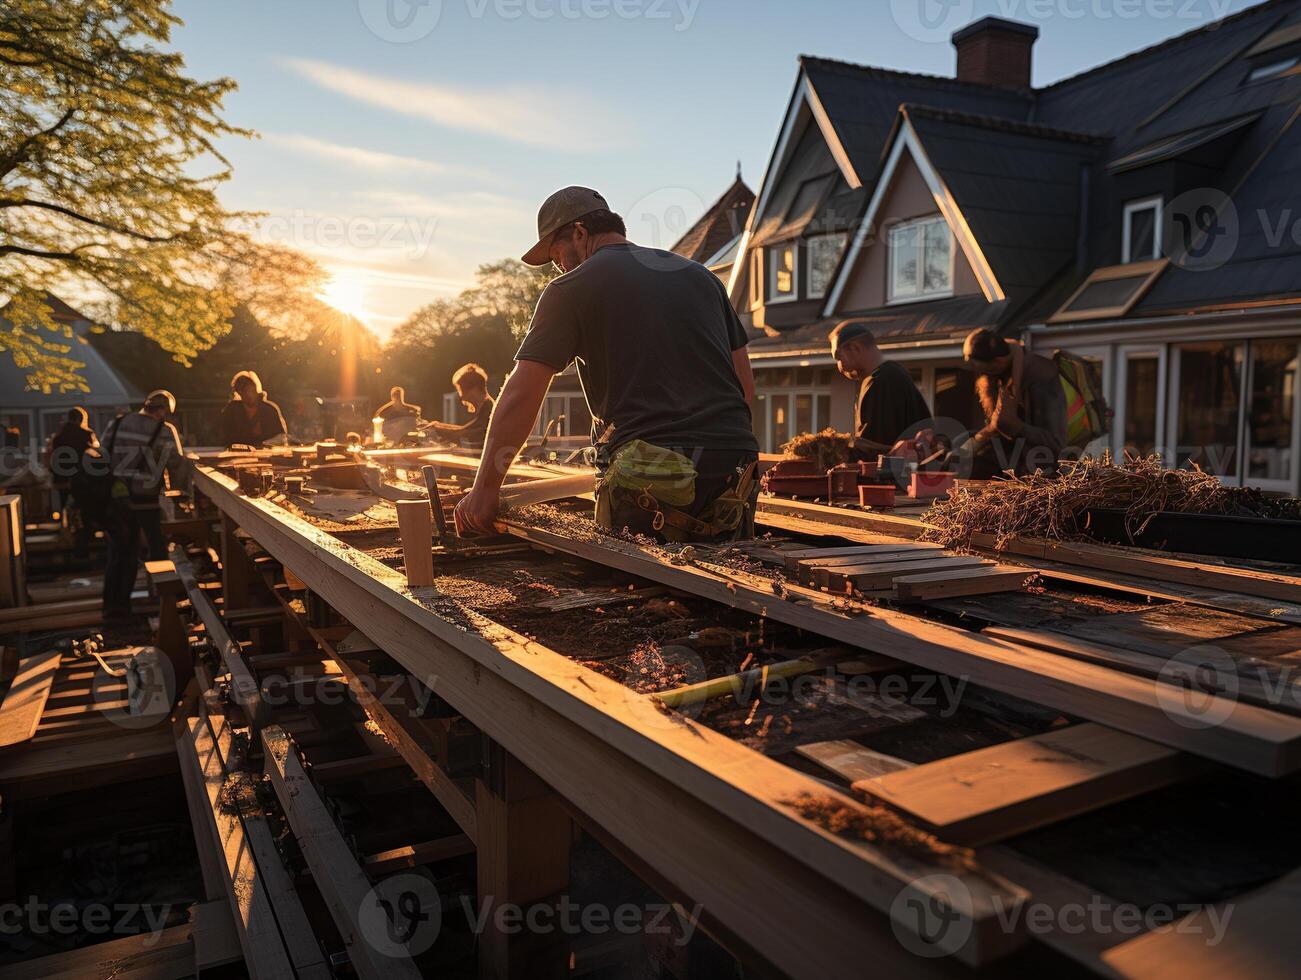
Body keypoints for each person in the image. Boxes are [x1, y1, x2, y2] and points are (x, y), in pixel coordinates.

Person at [453, 186, 759, 543]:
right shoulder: (703, 277)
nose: (560, 268)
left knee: (638, 592)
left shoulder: (570, 287)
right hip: (734, 472)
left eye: (557, 257)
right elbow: (745, 388)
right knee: (728, 586)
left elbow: (522, 394)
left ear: (580, 233)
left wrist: (486, 490)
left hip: (650, 476)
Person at [100, 390, 188, 619]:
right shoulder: (165, 431)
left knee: (120, 553)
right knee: (158, 550)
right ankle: (166, 606)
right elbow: (177, 464)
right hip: (146, 500)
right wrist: (184, 495)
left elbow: (102, 456)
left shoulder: (117, 423)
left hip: (118, 500)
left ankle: (114, 607)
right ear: (164, 411)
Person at [956, 328, 1066, 477]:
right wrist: (965, 443)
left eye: (982, 368)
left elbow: (1055, 442)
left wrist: (1018, 428)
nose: (979, 373)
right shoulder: (998, 375)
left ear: (998, 361)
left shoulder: (1040, 376)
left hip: (1042, 476)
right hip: (1016, 468)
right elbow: (997, 428)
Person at [830, 320, 934, 459]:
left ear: (855, 348)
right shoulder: (894, 374)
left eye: (838, 357)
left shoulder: (880, 383)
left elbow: (872, 454)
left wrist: (831, 451)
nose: (839, 366)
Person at [44, 408, 100, 556]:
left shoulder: (58, 438)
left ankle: (68, 536)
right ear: (81, 419)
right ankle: (85, 538)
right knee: (85, 509)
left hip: (62, 480)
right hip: (82, 480)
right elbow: (95, 456)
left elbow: (52, 460)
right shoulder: (87, 435)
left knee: (65, 508)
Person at [423, 364, 495, 450]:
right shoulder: (486, 405)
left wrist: (438, 430)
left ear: (474, 389)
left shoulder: (488, 409)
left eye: (462, 390)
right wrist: (437, 425)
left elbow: (470, 435)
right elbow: (466, 429)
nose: (462, 396)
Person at [221, 370, 288, 448]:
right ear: (239, 392)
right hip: (239, 453)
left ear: (256, 389)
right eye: (244, 391)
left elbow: (281, 437)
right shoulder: (232, 410)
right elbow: (225, 437)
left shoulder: (270, 410)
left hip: (267, 453)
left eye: (251, 390)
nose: (249, 394)